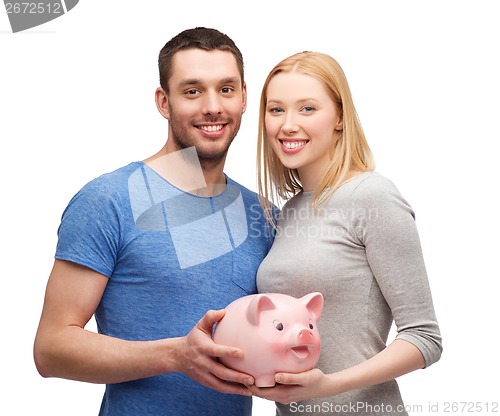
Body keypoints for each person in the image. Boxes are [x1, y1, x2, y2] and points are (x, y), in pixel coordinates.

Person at [33, 27, 275, 416]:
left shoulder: (263, 215)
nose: (213, 106)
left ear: (244, 97)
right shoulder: (108, 199)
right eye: (192, 91)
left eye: (226, 89)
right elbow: (51, 349)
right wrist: (176, 355)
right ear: (164, 102)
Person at [252, 51, 443, 415]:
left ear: (340, 117)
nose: (288, 125)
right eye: (276, 110)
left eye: (307, 109)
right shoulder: (288, 213)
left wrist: (329, 385)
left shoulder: (373, 196)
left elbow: (424, 338)